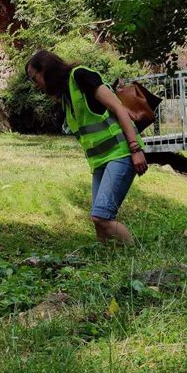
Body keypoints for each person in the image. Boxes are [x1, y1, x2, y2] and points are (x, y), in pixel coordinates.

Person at [26, 50, 148, 246]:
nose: (35, 84)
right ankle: (106, 263)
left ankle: (135, 255)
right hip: (100, 161)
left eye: (34, 78)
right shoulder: (66, 96)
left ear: (45, 69)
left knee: (102, 217)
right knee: (98, 222)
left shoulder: (81, 76)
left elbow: (119, 108)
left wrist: (135, 149)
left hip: (121, 152)